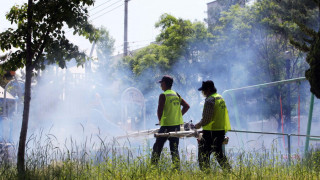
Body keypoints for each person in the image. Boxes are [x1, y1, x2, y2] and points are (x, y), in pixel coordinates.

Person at [151, 75, 190, 168]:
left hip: (166, 126)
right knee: (174, 149)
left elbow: (159, 110)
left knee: (157, 147)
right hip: (176, 126)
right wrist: (178, 115)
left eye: (161, 83)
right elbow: (187, 106)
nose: (160, 85)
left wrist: (160, 120)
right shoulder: (176, 94)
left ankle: (153, 168)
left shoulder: (163, 95)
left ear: (164, 83)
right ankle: (177, 169)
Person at [195, 80, 231, 171]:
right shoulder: (220, 98)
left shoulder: (210, 100)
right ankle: (228, 171)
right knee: (219, 154)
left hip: (210, 132)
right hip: (220, 130)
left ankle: (206, 174)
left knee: (203, 154)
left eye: (203, 90)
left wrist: (197, 125)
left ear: (208, 90)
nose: (203, 93)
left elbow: (207, 118)